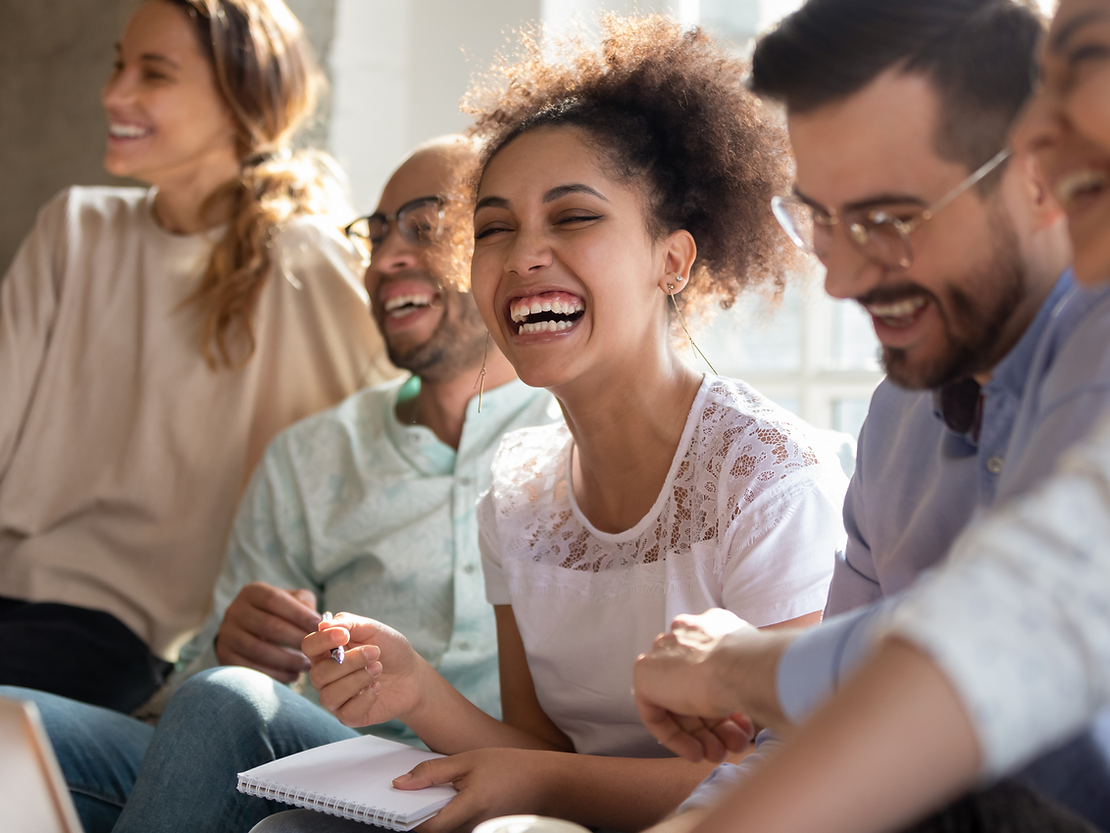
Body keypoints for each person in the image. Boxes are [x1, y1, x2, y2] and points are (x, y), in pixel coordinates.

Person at [256, 14, 849, 833]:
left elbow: (798, 778)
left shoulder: (770, 477)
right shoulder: (520, 493)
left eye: (572, 217)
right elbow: (537, 748)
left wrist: (532, 789)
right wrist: (416, 688)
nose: (524, 253)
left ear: (671, 260)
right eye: (494, 229)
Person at [632, 1, 1110, 830]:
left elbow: (1010, 626)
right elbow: (815, 730)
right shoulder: (898, 421)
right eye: (821, 219)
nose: (843, 279)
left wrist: (740, 664)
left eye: (888, 220)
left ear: (1039, 174)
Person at [0, 135, 561, 833]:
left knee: (228, 703)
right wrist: (232, 651)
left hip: (476, 781)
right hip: (306, 757)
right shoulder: (314, 453)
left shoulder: (575, 443)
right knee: (13, 728)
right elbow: (198, 690)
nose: (386, 258)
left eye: (425, 226)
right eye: (378, 231)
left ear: (501, 246)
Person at [0, 0, 391, 715]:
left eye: (154, 74)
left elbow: (393, 434)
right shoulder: (74, 227)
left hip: (129, 638)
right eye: (120, 65)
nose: (114, 93)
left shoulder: (299, 256)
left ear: (242, 97)